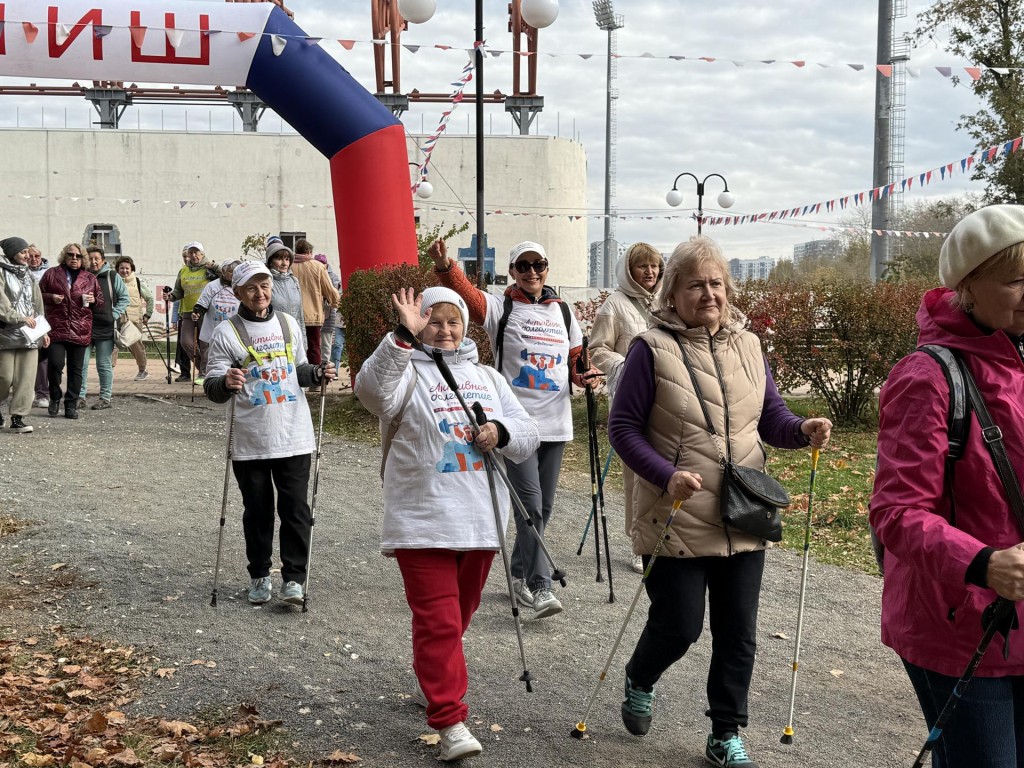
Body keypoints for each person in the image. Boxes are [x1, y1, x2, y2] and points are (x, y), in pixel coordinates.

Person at [607, 236, 831, 768]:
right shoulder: (650, 348)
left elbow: (769, 418)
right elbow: (622, 428)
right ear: (672, 293)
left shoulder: (749, 346)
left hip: (743, 508)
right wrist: (667, 475)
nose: (708, 293)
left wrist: (802, 429)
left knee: (738, 634)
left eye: (716, 284)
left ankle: (725, 733)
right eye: (694, 285)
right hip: (676, 511)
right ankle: (641, 676)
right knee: (679, 625)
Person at [354, 286, 539, 761]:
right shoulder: (405, 371)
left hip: (480, 521)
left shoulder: (489, 378)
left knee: (457, 618)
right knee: (438, 622)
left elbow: (528, 436)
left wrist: (501, 432)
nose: (445, 329)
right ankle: (450, 718)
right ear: (421, 322)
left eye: (453, 321)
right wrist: (402, 337)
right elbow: (370, 392)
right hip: (422, 520)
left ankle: (434, 677)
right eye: (435, 320)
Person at [870, 204, 1024, 768]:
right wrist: (984, 562)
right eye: (1016, 280)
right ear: (968, 287)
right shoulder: (927, 376)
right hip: (959, 622)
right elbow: (896, 512)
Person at [428, 238, 597, 619]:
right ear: (513, 271)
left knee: (544, 507)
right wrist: (445, 266)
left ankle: (519, 574)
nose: (532, 272)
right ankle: (540, 585)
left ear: (547, 269)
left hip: (556, 424)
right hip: (515, 426)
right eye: (524, 266)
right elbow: (466, 296)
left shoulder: (564, 312)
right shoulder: (501, 306)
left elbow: (574, 362)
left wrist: (585, 378)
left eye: (539, 265)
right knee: (530, 506)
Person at [203, 261, 335, 607]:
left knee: (295, 509)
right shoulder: (226, 333)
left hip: (294, 433)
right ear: (237, 293)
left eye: (264, 286)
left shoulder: (289, 324)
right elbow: (212, 385)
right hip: (251, 437)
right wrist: (225, 382)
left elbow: (299, 370)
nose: (260, 293)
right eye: (251, 287)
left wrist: (318, 373)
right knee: (258, 510)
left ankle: (293, 579)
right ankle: (259, 575)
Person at [590, 242, 664, 574]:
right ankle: (639, 541)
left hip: (668, 397)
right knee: (637, 472)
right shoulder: (615, 304)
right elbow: (598, 349)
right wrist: (627, 367)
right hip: (632, 400)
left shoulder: (668, 300)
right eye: (642, 266)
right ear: (629, 269)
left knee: (666, 466)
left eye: (655, 265)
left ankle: (664, 534)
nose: (650, 272)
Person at [39, 244, 103, 420]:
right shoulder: (51, 274)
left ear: (83, 258)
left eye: (78, 256)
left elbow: (100, 301)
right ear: (64, 256)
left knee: (76, 370)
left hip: (80, 329)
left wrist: (93, 300)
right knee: (55, 364)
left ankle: (71, 404)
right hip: (56, 328)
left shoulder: (89, 278)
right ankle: (54, 397)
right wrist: (50, 297)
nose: (74, 259)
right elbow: (37, 295)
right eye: (71, 255)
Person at [0, 236, 49, 433]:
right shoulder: (1, 273)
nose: (27, 256)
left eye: (27, 252)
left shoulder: (29, 275)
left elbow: (38, 304)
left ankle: (18, 418)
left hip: (29, 335)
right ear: (12, 254)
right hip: (6, 334)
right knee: (4, 377)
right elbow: (1, 303)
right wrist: (18, 318)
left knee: (26, 379)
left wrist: (43, 330)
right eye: (23, 252)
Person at [78, 246, 128, 410]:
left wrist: (112, 314)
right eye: (90, 258)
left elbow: (124, 298)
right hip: (84, 326)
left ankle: (105, 398)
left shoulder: (112, 276)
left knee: (103, 364)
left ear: (103, 261)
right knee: (81, 364)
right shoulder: (80, 275)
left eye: (96, 259)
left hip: (105, 327)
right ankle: (80, 397)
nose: (93, 262)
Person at [163, 241, 217, 384]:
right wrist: (171, 296)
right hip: (188, 311)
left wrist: (215, 268)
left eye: (196, 252)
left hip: (206, 311)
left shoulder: (209, 268)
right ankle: (204, 367)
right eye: (191, 253)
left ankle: (204, 374)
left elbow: (224, 279)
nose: (193, 255)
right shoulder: (183, 271)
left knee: (205, 343)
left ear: (202, 254)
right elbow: (178, 291)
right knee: (185, 342)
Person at [292, 239, 339, 367]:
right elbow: (329, 289)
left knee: (295, 348)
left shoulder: (289, 266)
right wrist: (335, 302)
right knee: (314, 347)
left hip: (291, 315)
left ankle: (297, 380)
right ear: (309, 252)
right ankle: (314, 381)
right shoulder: (318, 266)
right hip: (312, 315)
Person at [194, 260, 241, 367]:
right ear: (223, 272)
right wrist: (197, 313)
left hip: (234, 329)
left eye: (235, 271)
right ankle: (205, 376)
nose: (233, 274)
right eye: (230, 271)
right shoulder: (212, 286)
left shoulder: (240, 286)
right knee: (210, 358)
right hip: (212, 329)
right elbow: (202, 304)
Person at [114, 256, 154, 381]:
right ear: (117, 269)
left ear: (131, 269)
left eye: (127, 268)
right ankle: (108, 370)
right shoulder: (113, 281)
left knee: (136, 347)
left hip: (133, 321)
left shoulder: (137, 282)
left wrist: (147, 315)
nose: (124, 271)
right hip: (116, 319)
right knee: (112, 345)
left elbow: (150, 298)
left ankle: (143, 370)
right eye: (121, 268)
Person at [27, 244, 51, 408]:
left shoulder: (48, 273)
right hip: (26, 318)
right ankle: (27, 393)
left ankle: (43, 393)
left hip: (44, 318)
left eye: (37, 256)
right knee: (25, 356)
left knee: (42, 357)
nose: (34, 259)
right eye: (30, 256)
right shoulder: (21, 272)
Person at [265, 238, 305, 328]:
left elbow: (300, 315)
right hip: (274, 335)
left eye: (287, 259)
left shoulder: (294, 281)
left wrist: (303, 340)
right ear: (270, 261)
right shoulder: (266, 282)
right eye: (279, 259)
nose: (284, 263)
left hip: (294, 334)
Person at [314, 252, 343, 369]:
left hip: (328, 315)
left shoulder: (333, 277)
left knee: (326, 344)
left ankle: (325, 368)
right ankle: (315, 368)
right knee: (314, 344)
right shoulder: (312, 275)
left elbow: (334, 297)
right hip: (313, 315)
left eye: (323, 264)